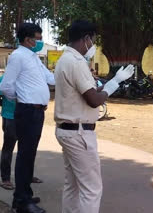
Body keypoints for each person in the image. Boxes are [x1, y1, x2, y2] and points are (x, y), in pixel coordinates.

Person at [54, 20, 134, 213]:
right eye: (94, 41)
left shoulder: (64, 59)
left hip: (68, 130)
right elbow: (94, 100)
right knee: (91, 189)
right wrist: (115, 83)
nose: (94, 46)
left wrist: (112, 83)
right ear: (86, 39)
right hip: (79, 133)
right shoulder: (77, 62)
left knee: (72, 186)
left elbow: (88, 91)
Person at [0, 23, 55, 213]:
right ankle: (23, 202)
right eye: (38, 38)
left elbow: (50, 78)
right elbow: (6, 86)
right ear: (27, 39)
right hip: (27, 111)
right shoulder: (18, 56)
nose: (40, 42)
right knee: (25, 155)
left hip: (37, 112)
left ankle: (24, 195)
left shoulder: (33, 57)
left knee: (29, 154)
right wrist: (22, 99)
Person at [0, 76, 43, 191]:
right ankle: (5, 178)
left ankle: (27, 176)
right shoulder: (6, 78)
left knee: (28, 148)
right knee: (8, 148)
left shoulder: (28, 78)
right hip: (10, 117)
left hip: (28, 116)